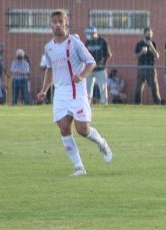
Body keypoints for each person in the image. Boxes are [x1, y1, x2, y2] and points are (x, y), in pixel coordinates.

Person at [36, 10, 113, 176]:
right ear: (51, 24)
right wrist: (44, 90)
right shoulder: (48, 47)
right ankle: (79, 167)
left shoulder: (75, 43)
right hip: (60, 93)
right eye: (54, 21)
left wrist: (81, 75)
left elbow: (91, 62)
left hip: (76, 92)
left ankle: (101, 142)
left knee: (82, 130)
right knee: (64, 128)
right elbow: (50, 69)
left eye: (60, 21)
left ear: (65, 24)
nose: (57, 24)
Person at [84, 25, 112, 105]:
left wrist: (103, 65)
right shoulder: (87, 42)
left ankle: (104, 104)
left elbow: (108, 54)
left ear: (95, 33)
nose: (88, 35)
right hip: (89, 69)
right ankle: (87, 104)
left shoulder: (102, 41)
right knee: (88, 88)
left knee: (102, 88)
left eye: (90, 33)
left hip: (100, 69)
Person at [134, 27, 163, 105]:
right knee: (139, 87)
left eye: (150, 35)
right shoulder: (139, 44)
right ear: (144, 34)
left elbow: (157, 56)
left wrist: (151, 46)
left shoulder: (153, 43)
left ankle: (157, 103)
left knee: (154, 86)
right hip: (141, 67)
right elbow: (135, 56)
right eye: (148, 34)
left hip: (151, 67)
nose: (149, 36)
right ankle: (138, 103)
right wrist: (141, 52)